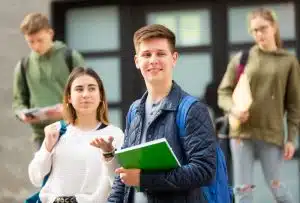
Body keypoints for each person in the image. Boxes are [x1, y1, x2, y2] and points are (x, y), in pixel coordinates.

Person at [107, 24, 217, 203]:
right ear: (136, 61)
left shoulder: (192, 109)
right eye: (146, 54)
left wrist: (144, 180)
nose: (153, 60)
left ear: (174, 58)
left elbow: (204, 170)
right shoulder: (134, 110)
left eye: (161, 53)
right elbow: (125, 173)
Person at [218, 8, 300, 203]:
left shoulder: (288, 61)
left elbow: (294, 104)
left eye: (262, 28)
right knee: (243, 192)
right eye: (254, 30)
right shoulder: (242, 59)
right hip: (241, 134)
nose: (259, 34)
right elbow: (223, 92)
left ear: (274, 27)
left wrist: (292, 138)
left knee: (277, 188)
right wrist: (234, 110)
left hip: (272, 134)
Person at [28, 67, 124, 203]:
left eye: (91, 88)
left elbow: (119, 184)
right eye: (79, 89)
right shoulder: (57, 130)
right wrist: (47, 148)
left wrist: (109, 155)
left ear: (101, 95)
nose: (85, 94)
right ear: (69, 97)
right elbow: (35, 177)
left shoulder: (114, 135)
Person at [12, 12, 85, 147]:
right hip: (42, 137)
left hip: (72, 131)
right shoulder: (24, 65)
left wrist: (68, 109)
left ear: (50, 33)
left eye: (40, 40)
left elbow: (87, 92)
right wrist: (22, 114)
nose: (36, 46)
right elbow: (18, 103)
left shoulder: (70, 57)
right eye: (31, 42)